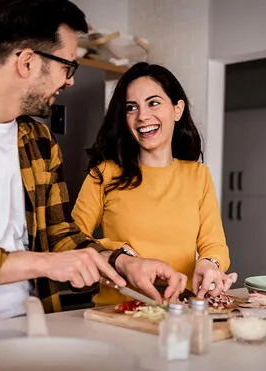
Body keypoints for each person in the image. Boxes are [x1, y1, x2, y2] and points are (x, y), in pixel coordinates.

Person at [0, 0, 185, 331]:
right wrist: (48, 263)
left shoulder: (39, 139)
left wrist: (125, 262)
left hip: (34, 330)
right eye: (68, 67)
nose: (69, 81)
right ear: (26, 62)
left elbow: (59, 234)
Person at [72, 62, 238, 306]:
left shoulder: (198, 175)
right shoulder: (104, 174)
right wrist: (121, 254)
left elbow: (214, 244)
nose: (142, 116)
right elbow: (71, 239)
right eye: (132, 107)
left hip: (180, 310)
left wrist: (209, 264)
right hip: (117, 312)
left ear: (177, 109)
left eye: (154, 102)